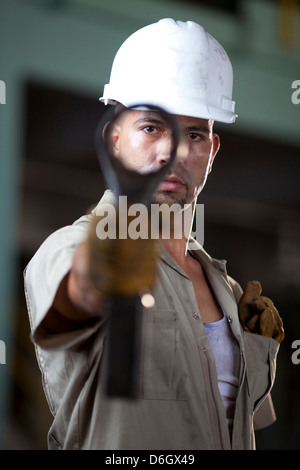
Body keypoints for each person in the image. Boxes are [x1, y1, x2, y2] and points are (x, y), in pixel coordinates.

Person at [24, 18, 284, 450]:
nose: (173, 152)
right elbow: (74, 299)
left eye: (195, 134)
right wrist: (98, 273)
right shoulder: (72, 247)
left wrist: (251, 346)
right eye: (151, 128)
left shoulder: (228, 291)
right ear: (114, 139)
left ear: (212, 151)